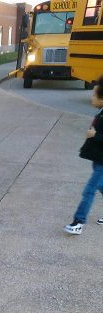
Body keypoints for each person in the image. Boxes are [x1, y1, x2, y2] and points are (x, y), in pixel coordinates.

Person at [64, 77, 103, 235]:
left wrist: (95, 135)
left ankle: (79, 222)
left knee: (90, 189)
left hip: (102, 161)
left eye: (94, 95)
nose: (91, 98)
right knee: (101, 186)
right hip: (98, 157)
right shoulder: (101, 111)